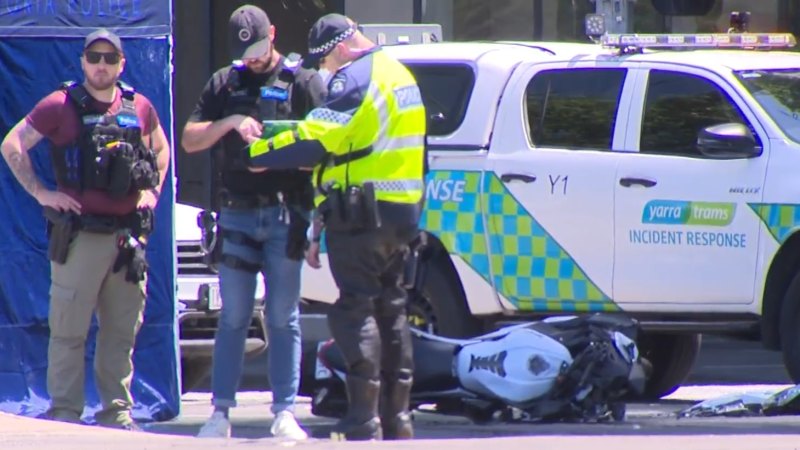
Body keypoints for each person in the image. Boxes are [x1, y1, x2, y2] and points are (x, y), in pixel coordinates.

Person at [246, 13, 427, 441]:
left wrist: (261, 152)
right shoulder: (401, 75)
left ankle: (363, 418)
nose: (326, 70)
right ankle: (398, 419)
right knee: (393, 311)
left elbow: (316, 138)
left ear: (342, 46)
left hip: (362, 214)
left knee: (355, 311)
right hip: (402, 214)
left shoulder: (355, 78)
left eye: (326, 60)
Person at [0, 28, 170, 430]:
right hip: (82, 237)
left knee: (121, 332)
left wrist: (152, 193)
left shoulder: (139, 105)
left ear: (122, 64)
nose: (101, 65)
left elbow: (161, 149)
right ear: (82, 61)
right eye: (94, 57)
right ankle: (64, 415)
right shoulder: (61, 105)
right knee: (69, 331)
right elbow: (13, 144)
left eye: (110, 58)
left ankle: (117, 413)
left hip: (128, 238)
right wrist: (42, 192)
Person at [181, 4, 326, 440]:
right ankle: (220, 412)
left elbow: (326, 145)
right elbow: (189, 140)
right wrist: (229, 122)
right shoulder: (226, 82)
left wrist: (277, 150)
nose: (255, 59)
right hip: (238, 214)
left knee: (283, 316)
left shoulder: (303, 80)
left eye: (261, 48)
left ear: (275, 35)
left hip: (287, 213)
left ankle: (284, 410)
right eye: (247, 53)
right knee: (233, 317)